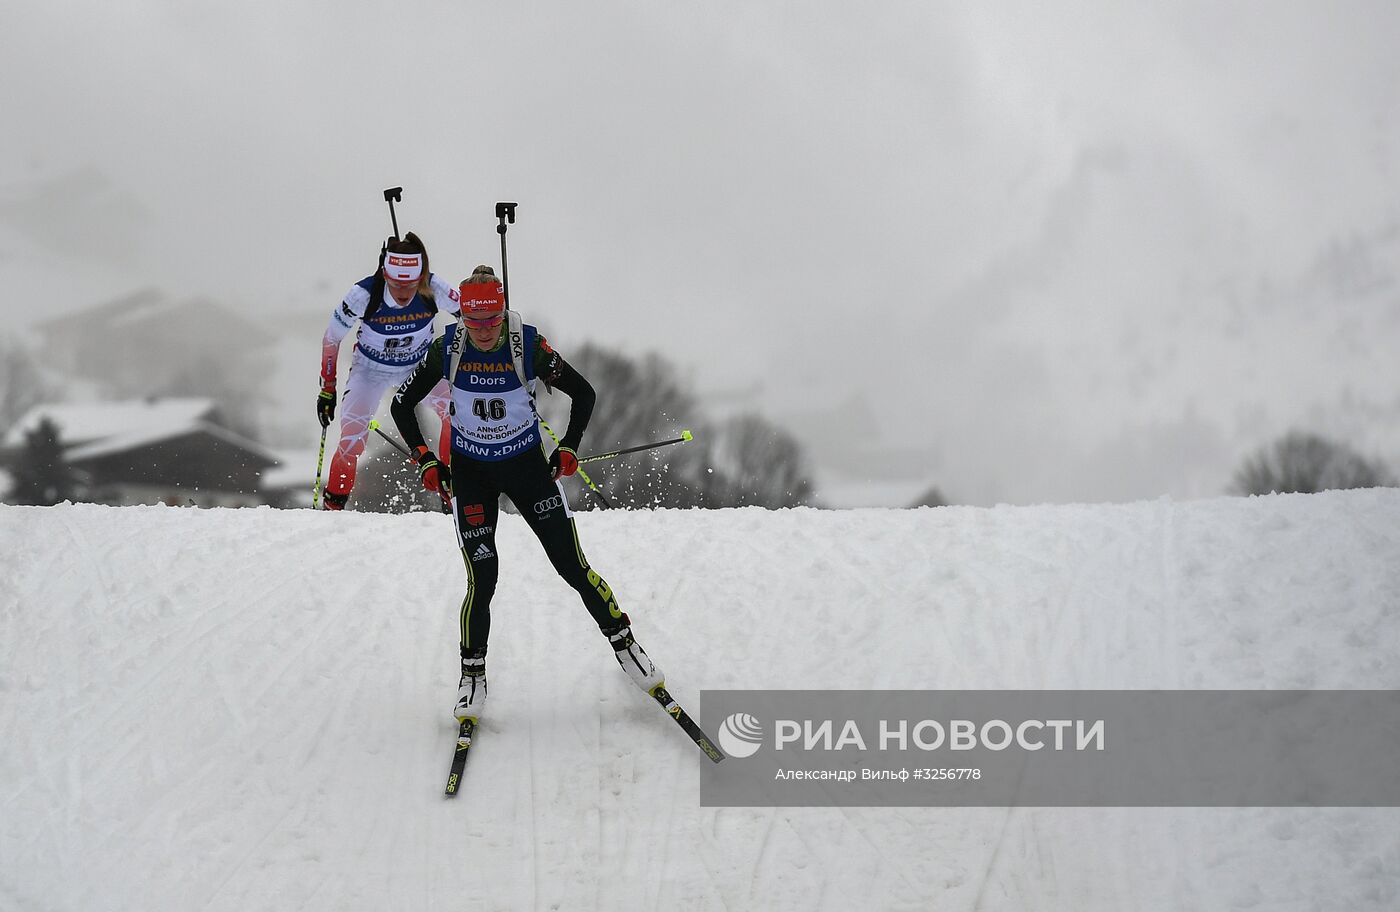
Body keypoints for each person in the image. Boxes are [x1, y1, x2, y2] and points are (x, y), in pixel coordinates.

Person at [390, 265, 663, 724]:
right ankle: (472, 676)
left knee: (571, 566)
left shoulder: (528, 346)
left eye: (491, 320)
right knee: (483, 579)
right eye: (474, 321)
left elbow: (585, 393)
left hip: (528, 471)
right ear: (464, 318)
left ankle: (627, 645)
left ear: (502, 312)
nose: (481, 331)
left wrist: (571, 446)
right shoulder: (446, 348)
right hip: (472, 475)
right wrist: (426, 459)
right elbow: (402, 402)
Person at [316, 232, 460, 510]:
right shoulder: (363, 294)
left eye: (411, 284)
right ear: (385, 274)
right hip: (370, 369)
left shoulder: (434, 287)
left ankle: (452, 494)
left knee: (455, 412)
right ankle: (333, 507)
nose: (404, 292)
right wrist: (328, 388)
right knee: (352, 437)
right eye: (396, 284)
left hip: (418, 366)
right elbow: (332, 337)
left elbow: (471, 314)